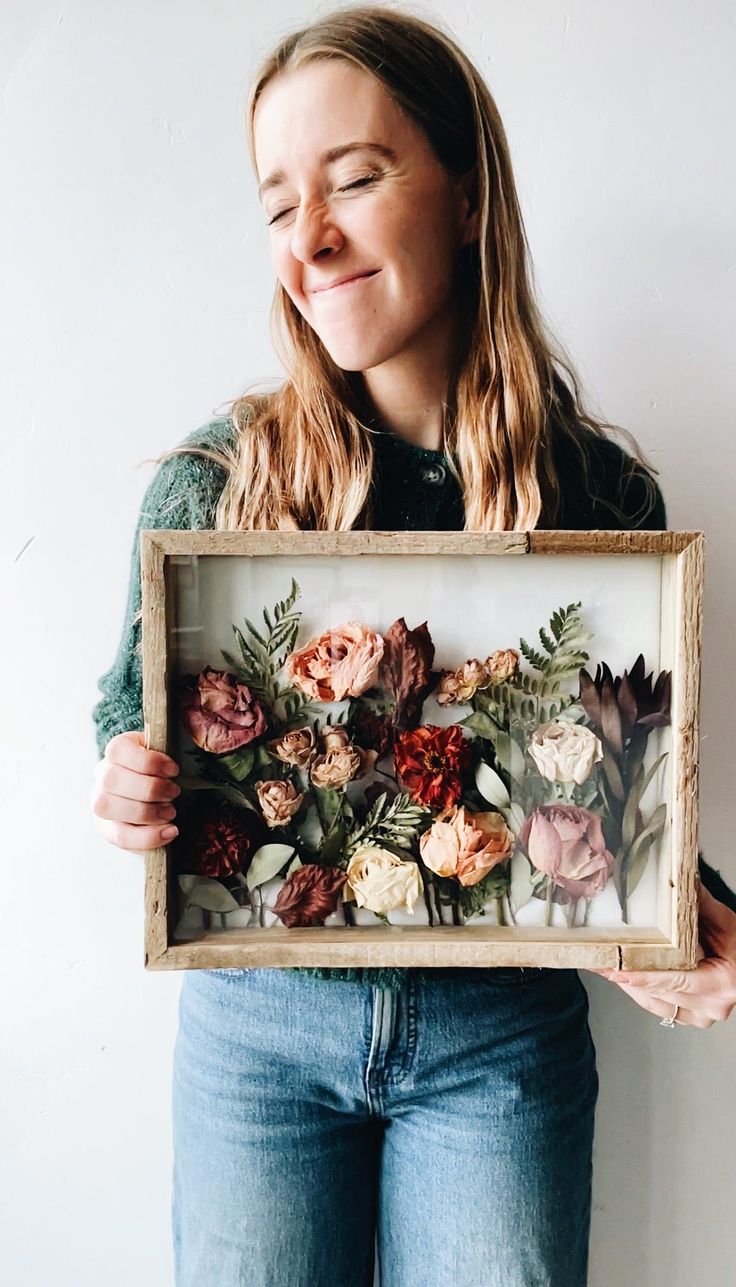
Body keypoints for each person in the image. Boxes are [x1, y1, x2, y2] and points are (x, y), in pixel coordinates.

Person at [90, 7, 736, 1284]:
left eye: (357, 178)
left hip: (501, 1039)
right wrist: (124, 776)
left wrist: (696, 922)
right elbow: (123, 710)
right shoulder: (212, 487)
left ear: (467, 194)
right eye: (279, 204)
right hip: (259, 1033)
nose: (310, 239)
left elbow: (614, 798)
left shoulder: (604, 502)